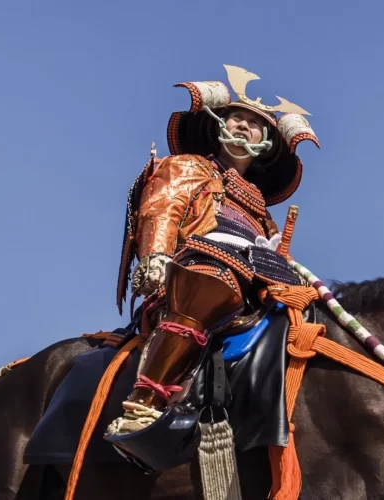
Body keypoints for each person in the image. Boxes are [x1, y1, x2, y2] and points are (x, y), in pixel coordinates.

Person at [107, 65, 319, 435]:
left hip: (254, 284)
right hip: (198, 270)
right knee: (206, 287)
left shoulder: (263, 212)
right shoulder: (188, 166)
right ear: (217, 124)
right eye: (235, 117)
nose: (242, 126)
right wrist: (156, 256)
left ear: (266, 143)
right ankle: (145, 405)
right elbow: (162, 207)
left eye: (253, 124)